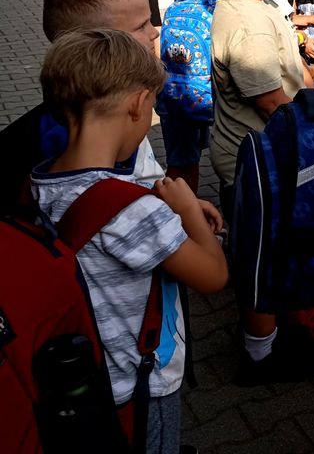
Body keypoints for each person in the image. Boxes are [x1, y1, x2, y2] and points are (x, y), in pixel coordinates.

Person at [31, 29, 227, 454]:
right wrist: (190, 211)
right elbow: (213, 275)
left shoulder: (37, 183)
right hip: (136, 389)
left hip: (79, 378)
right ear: (139, 104)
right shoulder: (133, 211)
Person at [202, 0, 311, 381]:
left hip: (260, 156)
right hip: (255, 161)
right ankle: (258, 355)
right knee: (260, 257)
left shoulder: (255, 5)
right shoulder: (247, 27)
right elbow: (271, 102)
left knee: (270, 248)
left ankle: (267, 330)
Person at [0, 0, 164, 214]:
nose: (154, 33)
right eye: (141, 26)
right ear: (93, 44)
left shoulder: (114, 104)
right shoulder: (60, 146)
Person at [142, 0, 212, 192]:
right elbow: (160, 49)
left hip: (183, 89)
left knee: (189, 157)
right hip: (177, 92)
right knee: (183, 161)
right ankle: (183, 214)